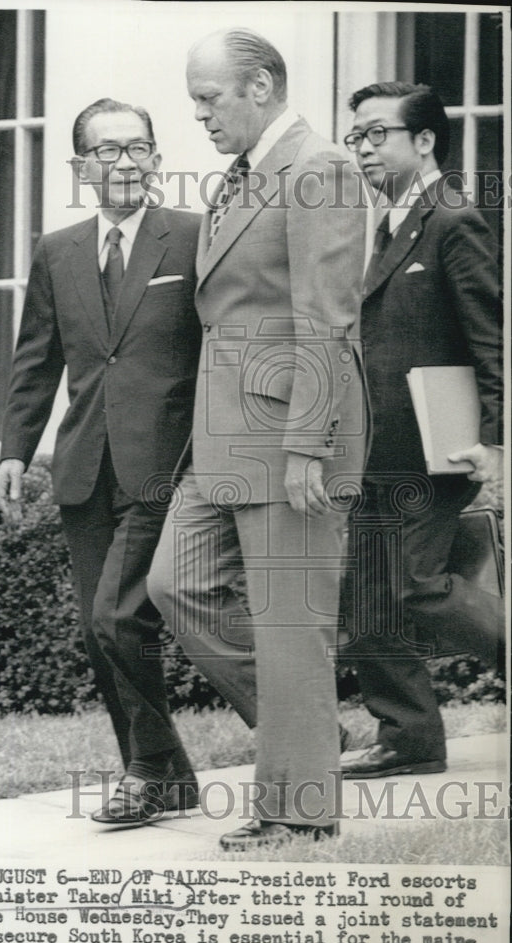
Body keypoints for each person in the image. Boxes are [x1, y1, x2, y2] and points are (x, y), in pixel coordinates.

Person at [148, 29, 367, 849]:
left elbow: (326, 318)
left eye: (209, 99)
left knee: (289, 627)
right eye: (195, 100)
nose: (199, 115)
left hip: (288, 440)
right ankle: (310, 730)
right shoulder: (242, 176)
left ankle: (300, 810)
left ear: (262, 87)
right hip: (225, 439)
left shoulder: (319, 168)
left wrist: (308, 443)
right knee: (177, 583)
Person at [0, 98, 203, 826]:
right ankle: (164, 772)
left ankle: (148, 773)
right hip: (84, 465)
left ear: (156, 158)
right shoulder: (56, 250)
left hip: (164, 465)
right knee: (98, 627)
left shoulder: (194, 238)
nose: (124, 162)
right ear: (80, 167)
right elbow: (36, 361)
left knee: (119, 617)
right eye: (107, 151)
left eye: (137, 148)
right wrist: (15, 451)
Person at [337, 82, 504, 780]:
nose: (365, 148)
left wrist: (494, 442)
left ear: (425, 141)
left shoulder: (451, 219)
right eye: (358, 138)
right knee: (365, 596)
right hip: (375, 449)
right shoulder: (376, 226)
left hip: (435, 448)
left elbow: (489, 338)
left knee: (411, 583)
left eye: (378, 133)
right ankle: (407, 738)